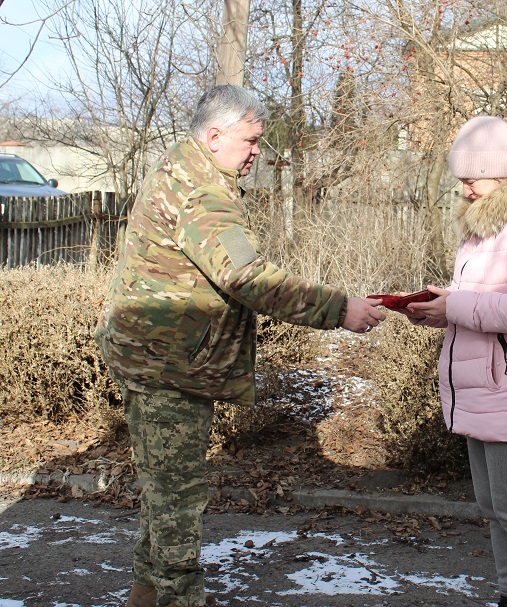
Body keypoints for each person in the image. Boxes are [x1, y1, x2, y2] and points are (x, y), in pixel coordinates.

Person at [94, 85, 386, 607]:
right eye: (250, 141)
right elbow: (247, 277)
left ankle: (144, 596)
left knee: (165, 498)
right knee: (177, 505)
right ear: (214, 136)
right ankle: (180, 599)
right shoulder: (201, 192)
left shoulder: (182, 168)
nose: (257, 151)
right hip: (170, 367)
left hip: (158, 358)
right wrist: (338, 307)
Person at [405, 115, 507, 607]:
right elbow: (483, 300)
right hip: (484, 390)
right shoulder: (485, 227)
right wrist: (440, 306)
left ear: (500, 172)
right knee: (494, 507)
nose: (465, 189)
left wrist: (455, 305)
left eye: (471, 178)